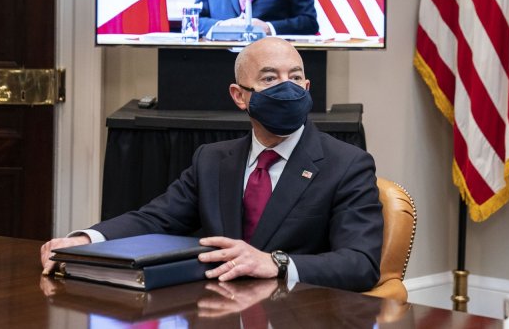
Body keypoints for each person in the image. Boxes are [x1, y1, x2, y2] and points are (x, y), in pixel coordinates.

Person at [41, 37, 382, 292]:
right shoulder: (213, 161)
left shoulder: (347, 164)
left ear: (307, 87)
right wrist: (86, 239)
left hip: (299, 313)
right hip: (219, 309)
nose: (287, 89)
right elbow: (155, 218)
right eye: (269, 79)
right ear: (239, 96)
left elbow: (360, 263)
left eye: (295, 78)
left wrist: (276, 263)